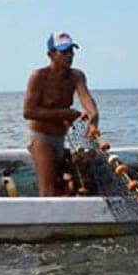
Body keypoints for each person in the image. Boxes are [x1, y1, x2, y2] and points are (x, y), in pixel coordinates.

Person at [23, 31, 100, 196]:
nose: (69, 56)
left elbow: (85, 96)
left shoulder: (76, 76)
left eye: (71, 51)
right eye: (63, 52)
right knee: (49, 191)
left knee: (64, 188)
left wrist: (93, 115)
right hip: (41, 138)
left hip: (60, 139)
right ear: (50, 54)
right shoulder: (39, 76)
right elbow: (28, 111)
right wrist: (64, 113)